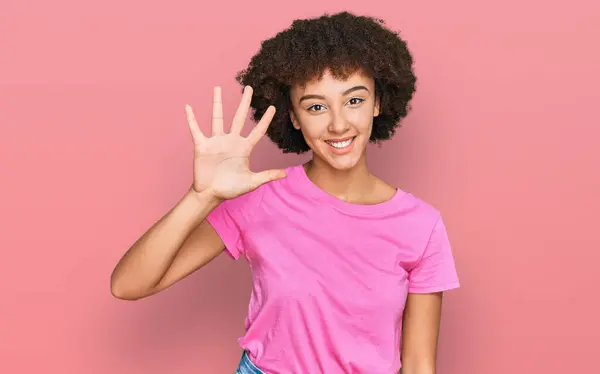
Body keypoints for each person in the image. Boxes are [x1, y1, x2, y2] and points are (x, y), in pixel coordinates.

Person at [110, 11, 460, 374]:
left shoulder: (422, 225)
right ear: (293, 117)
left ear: (378, 102)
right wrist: (201, 196)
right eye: (316, 107)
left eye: (354, 100)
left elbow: (419, 364)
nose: (338, 123)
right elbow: (128, 285)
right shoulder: (261, 198)